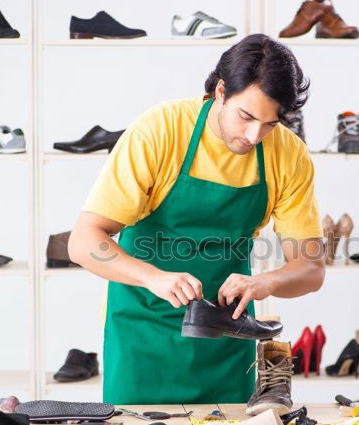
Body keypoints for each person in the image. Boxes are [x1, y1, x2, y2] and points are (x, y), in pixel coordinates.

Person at [68, 34, 325, 405]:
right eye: (247, 116)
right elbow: (84, 240)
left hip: (227, 342)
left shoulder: (288, 154)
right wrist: (152, 277)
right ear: (221, 91)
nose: (255, 135)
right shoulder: (161, 130)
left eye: (270, 123)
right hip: (144, 336)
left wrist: (267, 282)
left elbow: (311, 268)